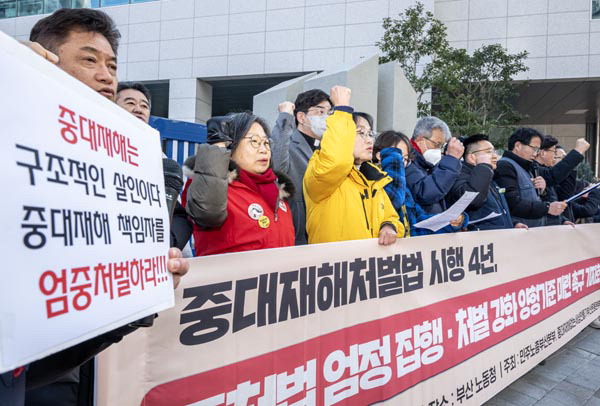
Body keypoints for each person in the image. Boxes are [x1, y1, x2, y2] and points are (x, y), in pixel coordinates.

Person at [4, 9, 189, 406]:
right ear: (45, 58)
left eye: (112, 65)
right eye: (89, 60)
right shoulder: (14, 139)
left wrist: (140, 295)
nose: (106, 76)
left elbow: (27, 368)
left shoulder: (128, 164)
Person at [303, 87, 402, 245]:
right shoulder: (321, 171)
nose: (369, 140)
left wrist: (388, 226)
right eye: (361, 132)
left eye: (370, 133)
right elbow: (337, 160)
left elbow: (391, 216)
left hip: (368, 259)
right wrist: (341, 110)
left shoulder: (373, 178)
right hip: (334, 260)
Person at [185, 113, 295, 255]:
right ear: (230, 146)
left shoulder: (278, 190)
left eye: (266, 142)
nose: (263, 150)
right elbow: (207, 212)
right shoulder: (210, 186)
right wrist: (218, 147)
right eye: (254, 141)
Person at [116, 81, 193, 251]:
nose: (138, 109)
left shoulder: (157, 156)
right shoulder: (99, 148)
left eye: (144, 106)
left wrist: (170, 242)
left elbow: (178, 215)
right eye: (130, 103)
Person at [374, 130, 467, 236]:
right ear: (379, 156)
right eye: (397, 156)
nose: (401, 163)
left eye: (405, 159)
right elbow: (394, 202)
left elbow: (417, 223)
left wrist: (449, 221)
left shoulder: (404, 188)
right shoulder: (372, 184)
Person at [271, 89, 333, 245]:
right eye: (320, 112)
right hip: (298, 233)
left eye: (329, 113)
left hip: (324, 231)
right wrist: (285, 116)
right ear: (301, 117)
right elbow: (277, 166)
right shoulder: (288, 144)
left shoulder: (327, 148)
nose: (326, 118)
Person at [494, 128, 589, 227]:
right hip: (521, 231)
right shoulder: (505, 166)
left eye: (537, 150)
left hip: (535, 229)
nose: (535, 153)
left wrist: (561, 220)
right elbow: (512, 204)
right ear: (518, 146)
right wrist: (547, 208)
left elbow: (540, 195)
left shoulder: (528, 167)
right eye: (534, 148)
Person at [446, 134, 526, 231]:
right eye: (488, 152)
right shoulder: (461, 175)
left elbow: (493, 209)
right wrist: (484, 166)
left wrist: (513, 223)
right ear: (471, 157)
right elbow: (473, 201)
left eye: (494, 151)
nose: (495, 156)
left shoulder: (487, 174)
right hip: (480, 238)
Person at [406, 116, 464, 213]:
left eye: (441, 146)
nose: (438, 150)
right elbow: (426, 193)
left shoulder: (427, 164)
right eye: (437, 144)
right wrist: (451, 159)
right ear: (420, 140)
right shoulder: (406, 160)